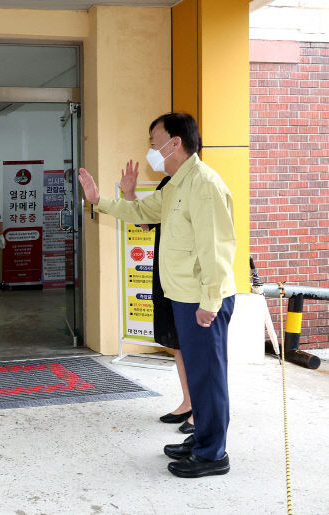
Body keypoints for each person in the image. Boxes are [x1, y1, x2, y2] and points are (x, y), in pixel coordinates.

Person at [78, 112, 236, 478]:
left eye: (154, 142)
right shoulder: (175, 184)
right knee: (198, 374)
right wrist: (99, 200)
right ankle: (201, 440)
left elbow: (217, 249)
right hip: (183, 296)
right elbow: (141, 210)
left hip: (202, 299)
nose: (151, 150)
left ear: (175, 143)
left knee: (208, 375)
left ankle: (213, 454)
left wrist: (210, 302)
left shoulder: (204, 184)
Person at [120, 162, 194, 435]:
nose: (155, 151)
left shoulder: (198, 184)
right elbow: (145, 219)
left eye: (157, 142)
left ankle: (201, 411)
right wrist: (129, 194)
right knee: (177, 342)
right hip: (165, 275)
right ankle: (188, 402)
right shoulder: (167, 184)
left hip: (188, 278)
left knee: (194, 346)